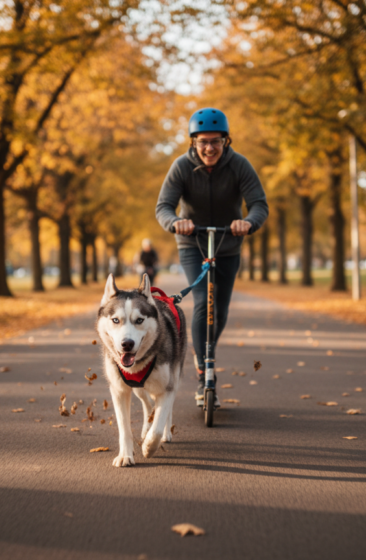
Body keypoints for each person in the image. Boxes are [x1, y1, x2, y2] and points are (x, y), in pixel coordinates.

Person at [156, 107, 269, 407]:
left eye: (216, 142)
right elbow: (163, 206)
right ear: (193, 142)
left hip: (228, 244)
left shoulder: (239, 166)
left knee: (220, 310)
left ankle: (206, 352)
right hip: (193, 243)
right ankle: (204, 367)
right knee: (204, 301)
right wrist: (175, 222)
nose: (209, 148)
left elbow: (258, 204)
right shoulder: (181, 167)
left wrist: (248, 222)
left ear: (226, 142)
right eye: (203, 141)